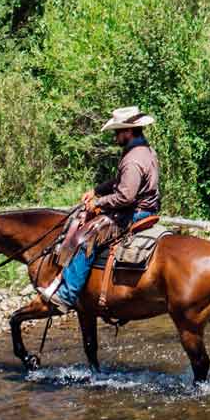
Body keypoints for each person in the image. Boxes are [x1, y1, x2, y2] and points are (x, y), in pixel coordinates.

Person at [48, 106, 160, 314]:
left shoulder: (133, 159)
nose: (115, 136)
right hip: (147, 207)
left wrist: (98, 203)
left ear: (128, 131)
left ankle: (67, 295)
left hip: (134, 212)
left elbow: (125, 196)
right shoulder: (144, 150)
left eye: (117, 132)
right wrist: (96, 191)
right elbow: (120, 181)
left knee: (86, 240)